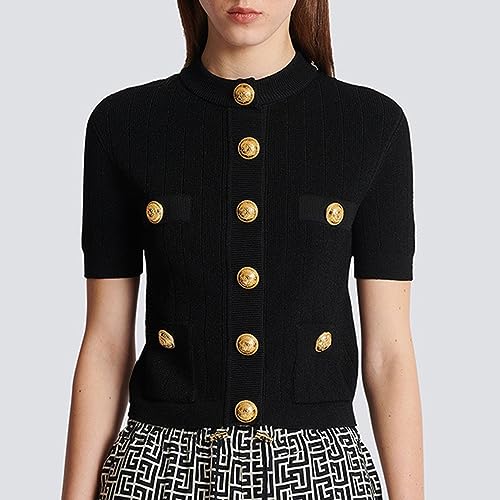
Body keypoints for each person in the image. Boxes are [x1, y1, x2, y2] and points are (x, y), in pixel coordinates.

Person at [61, 1, 424, 499]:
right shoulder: (123, 124)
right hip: (159, 471)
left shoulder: (371, 126)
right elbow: (105, 343)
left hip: (320, 474)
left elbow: (389, 352)